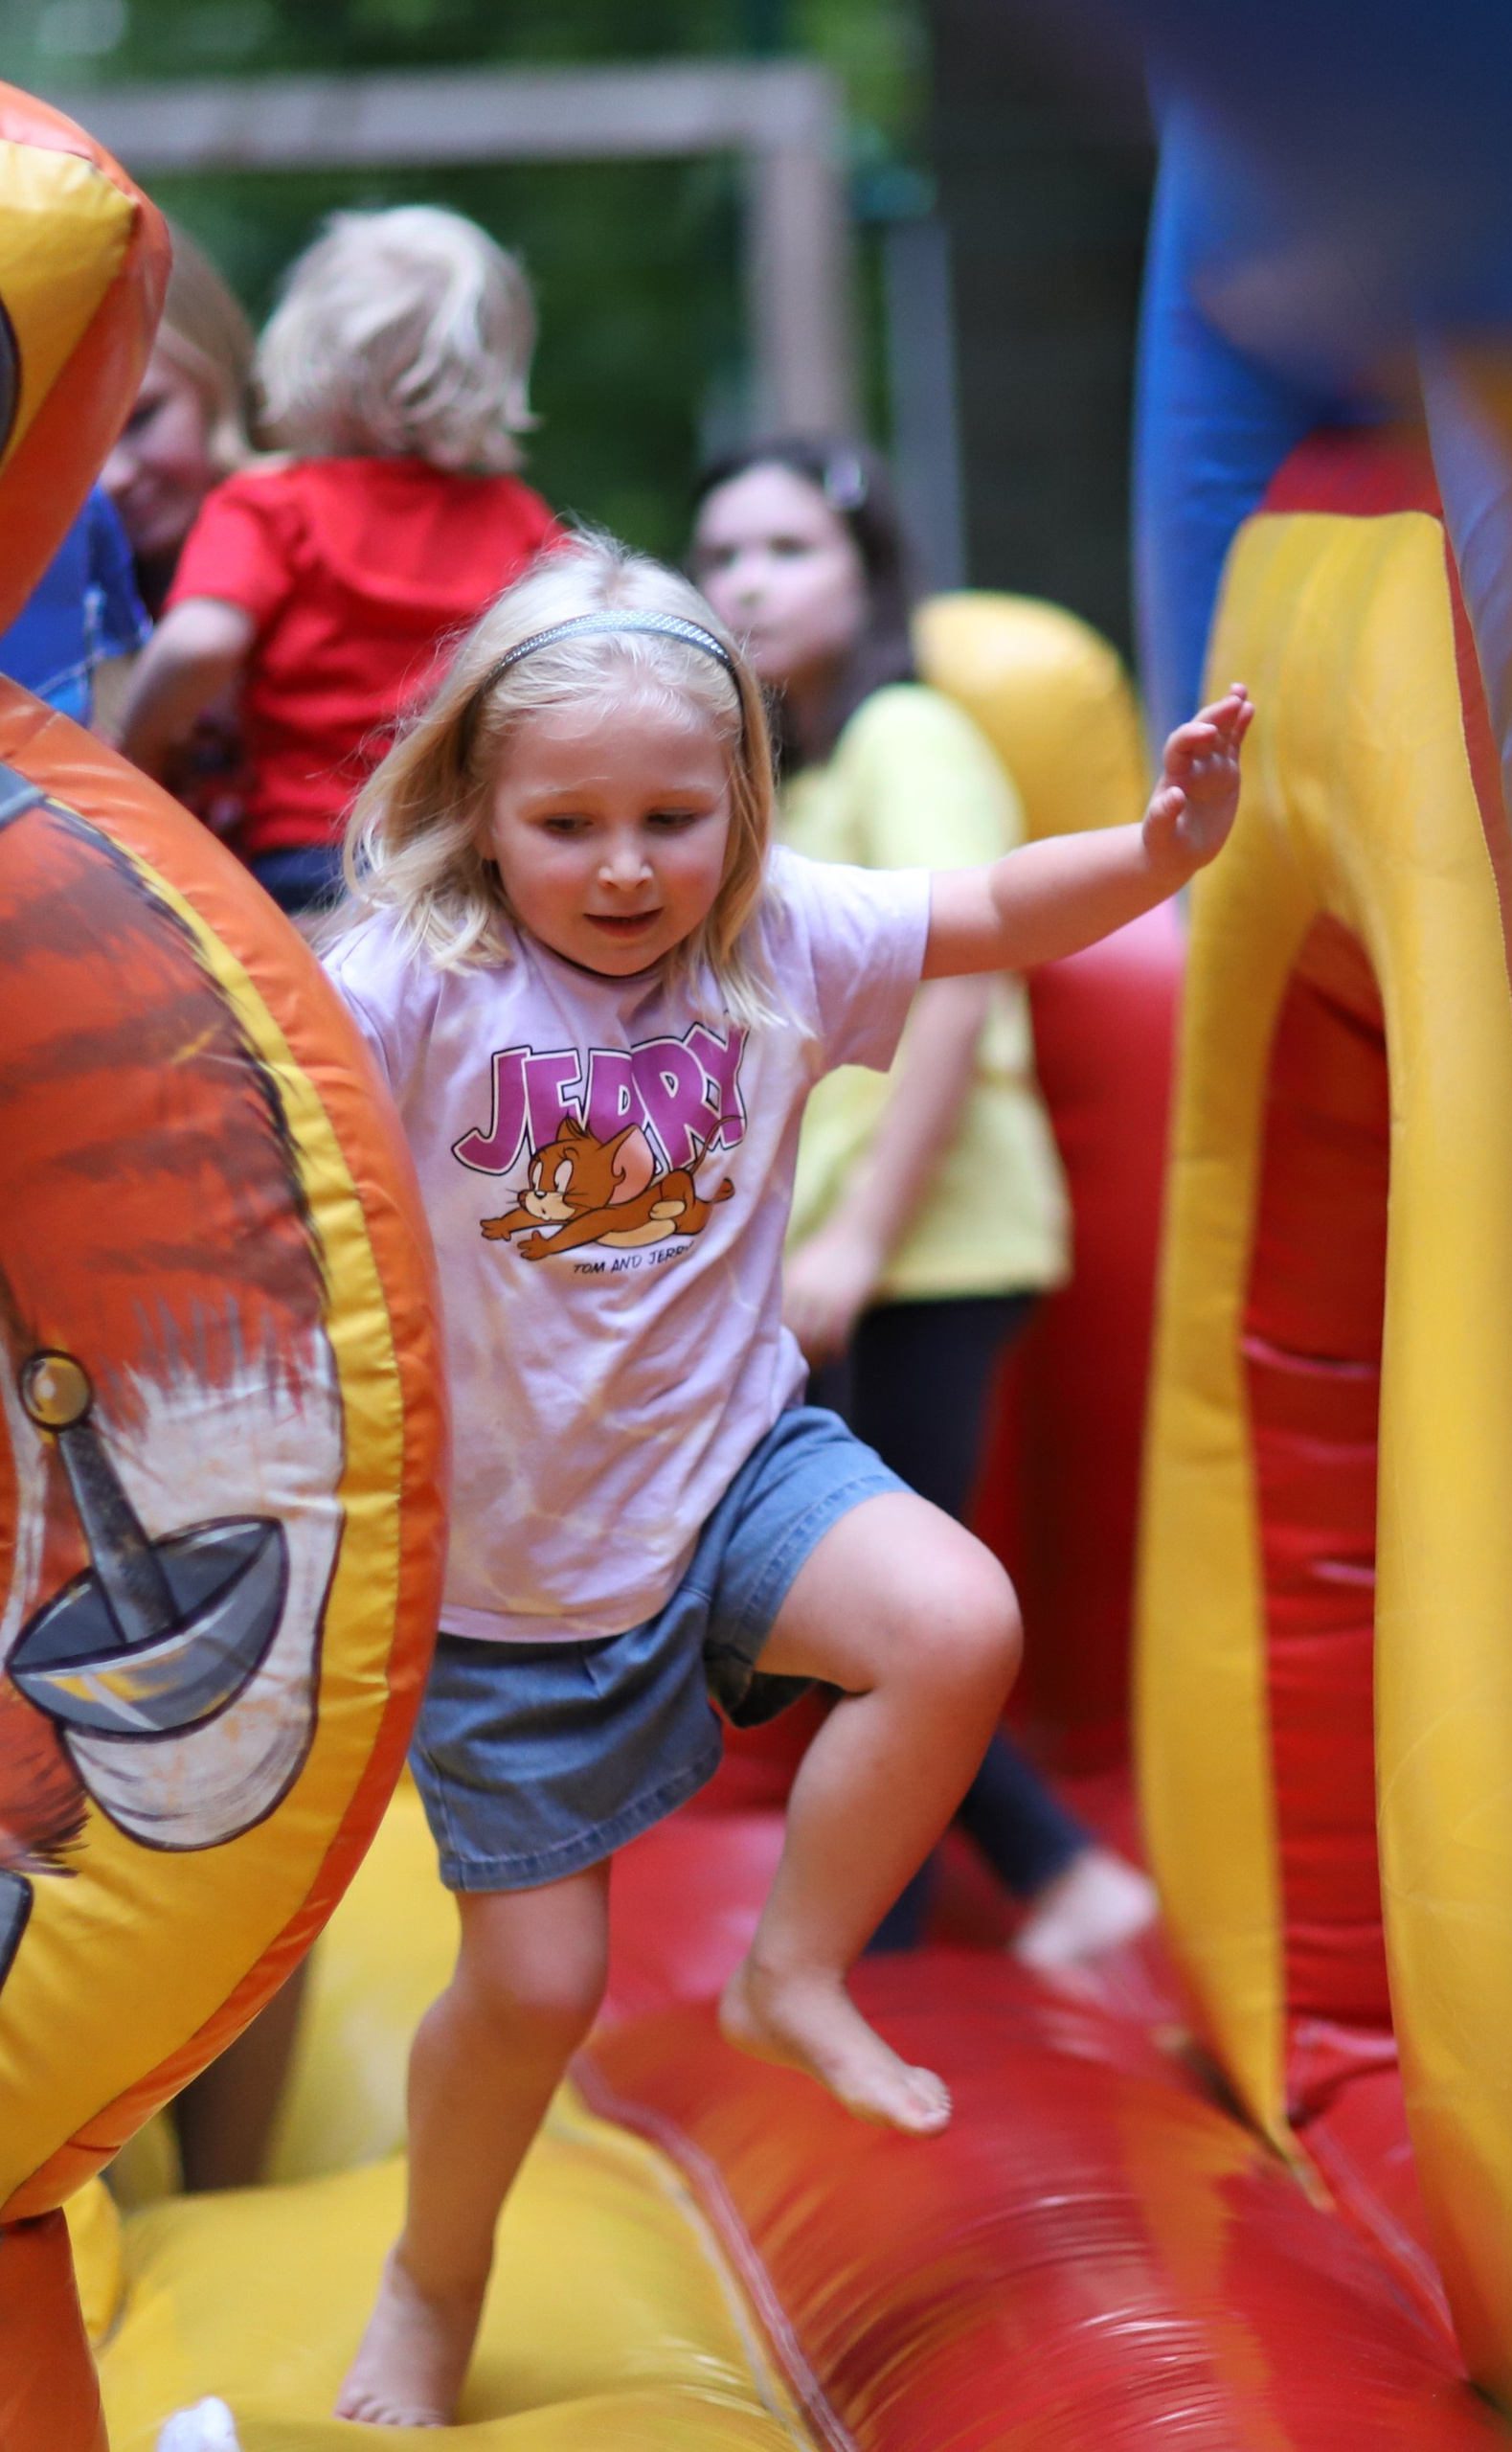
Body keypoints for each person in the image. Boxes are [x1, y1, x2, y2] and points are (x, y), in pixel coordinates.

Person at [319, 528, 1252, 2425]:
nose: (627, 864)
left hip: (737, 1462)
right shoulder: (414, 979)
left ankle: (796, 1970)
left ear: (742, 802)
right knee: (532, 1989)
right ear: (479, 814)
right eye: (568, 821)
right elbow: (239, 1096)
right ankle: (437, 2273)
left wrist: (1162, 851)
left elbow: (989, 907)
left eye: (675, 814)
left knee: (950, 1614)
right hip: (505, 1570)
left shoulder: (777, 937)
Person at [692, 438, 1159, 1967]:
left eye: (785, 551)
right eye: (721, 557)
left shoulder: (909, 730)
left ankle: (976, 1911)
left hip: (930, 1242)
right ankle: (1026, 1889)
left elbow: (960, 988)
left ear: (867, 572)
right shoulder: (803, 769)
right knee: (868, 1605)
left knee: (889, 1603)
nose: (746, 582)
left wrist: (861, 1238)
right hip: (853, 1247)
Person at [115, 205, 560, 915]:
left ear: (303, 351)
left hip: (310, 863)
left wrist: (133, 751)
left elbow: (199, 644)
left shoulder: (271, 506)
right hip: (464, 864)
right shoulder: (518, 518)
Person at [102, 216, 260, 840]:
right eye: (74, 442)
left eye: (141, 418)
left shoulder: (335, 548)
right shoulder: (41, 628)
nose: (111, 477)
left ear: (216, 378)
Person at [0, 486, 148, 728]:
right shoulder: (84, 494)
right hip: (60, 704)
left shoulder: (86, 496)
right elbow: (123, 616)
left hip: (57, 702)